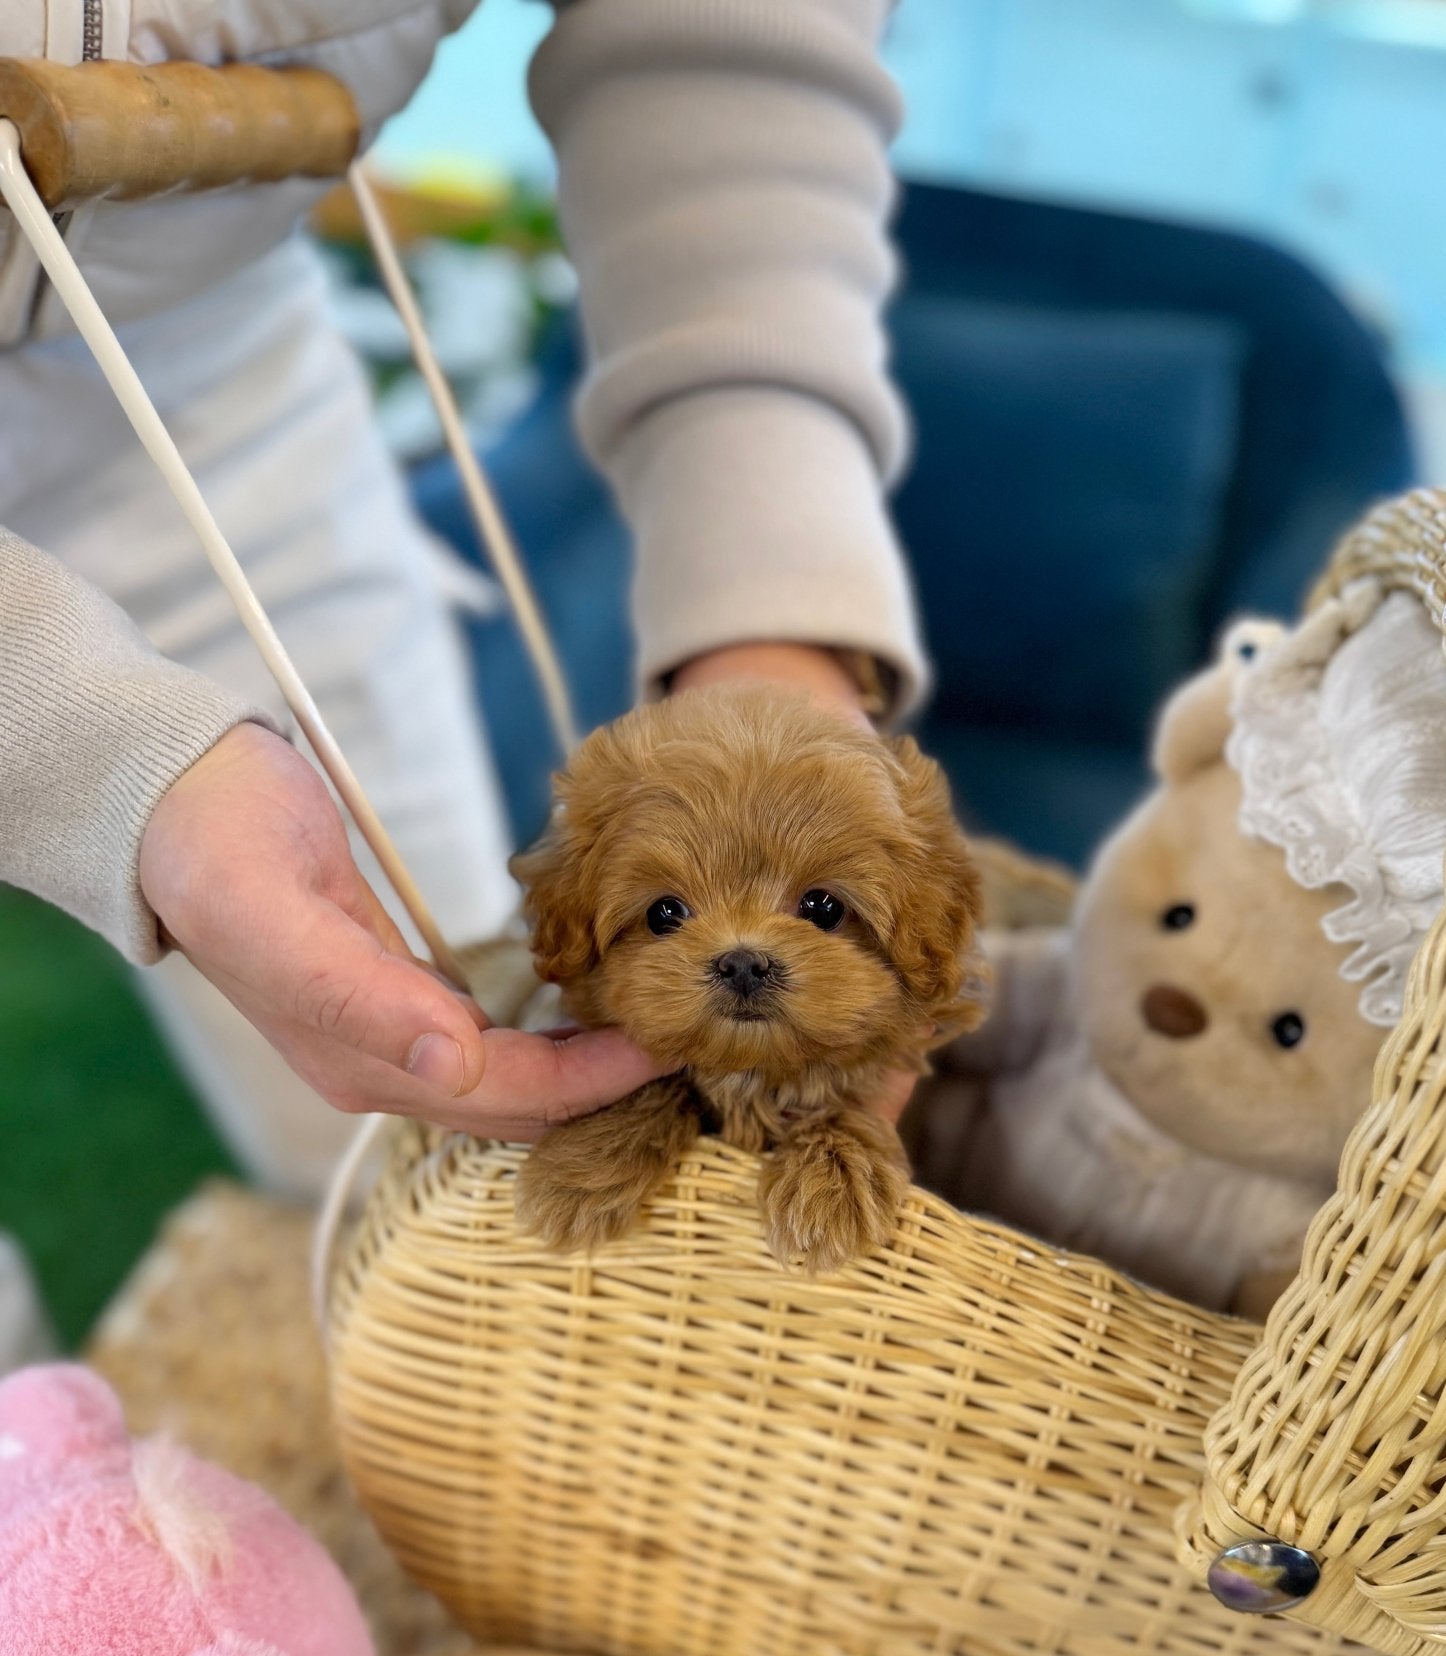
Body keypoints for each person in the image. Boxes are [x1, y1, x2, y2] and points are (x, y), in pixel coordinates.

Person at [0, 0, 926, 1195]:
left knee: (409, 1105)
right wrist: (104, 756)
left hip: (189, 325)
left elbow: (724, 36)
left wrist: (772, 612)